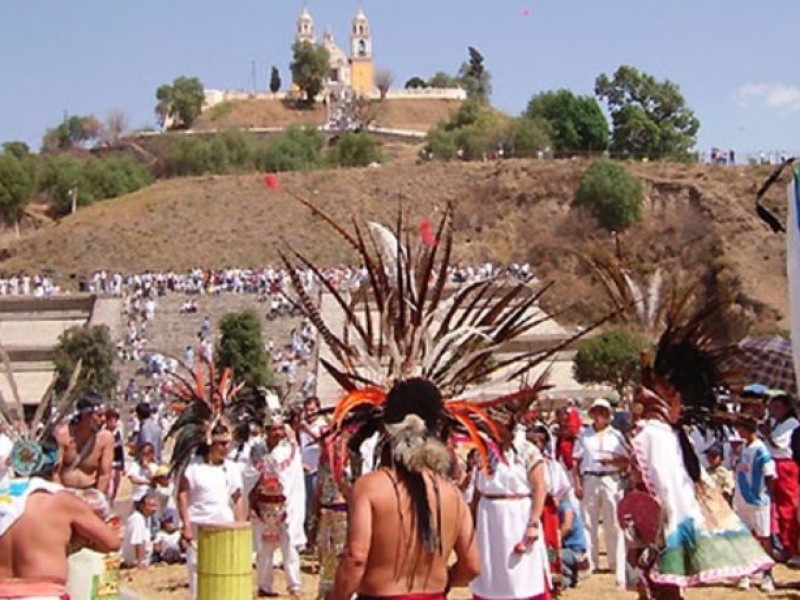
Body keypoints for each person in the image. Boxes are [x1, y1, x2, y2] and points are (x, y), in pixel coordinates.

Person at [331, 379, 480, 600]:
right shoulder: (453, 494)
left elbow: (356, 557)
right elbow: (473, 566)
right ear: (437, 427)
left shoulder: (370, 488)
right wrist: (446, 580)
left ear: (385, 427)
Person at [0, 435, 121, 592]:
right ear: (56, 466)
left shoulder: (4, 501)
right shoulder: (62, 501)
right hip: (44, 592)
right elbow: (111, 542)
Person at [177, 422, 244, 599]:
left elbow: (237, 497)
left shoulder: (231, 468)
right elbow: (182, 494)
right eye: (221, 443)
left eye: (228, 443)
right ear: (210, 444)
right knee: (196, 568)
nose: (226, 448)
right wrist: (186, 525)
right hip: (199, 525)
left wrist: (238, 524)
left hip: (224, 527)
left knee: (223, 569)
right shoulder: (194, 467)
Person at [572, 398, 629, 587]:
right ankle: (591, 561)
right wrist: (577, 484)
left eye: (602, 412)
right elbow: (576, 461)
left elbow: (626, 460)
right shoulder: (584, 435)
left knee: (613, 520)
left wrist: (612, 461)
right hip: (590, 478)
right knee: (588, 521)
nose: (599, 416)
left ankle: (614, 561)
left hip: (611, 478)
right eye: (596, 412)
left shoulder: (616, 435)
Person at [250, 415, 306, 598]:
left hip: (284, 506)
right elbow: (249, 476)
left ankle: (294, 585)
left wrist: (292, 504)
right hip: (263, 506)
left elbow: (294, 478)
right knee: (264, 548)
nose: (278, 433)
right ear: (266, 431)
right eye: (273, 429)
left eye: (280, 429)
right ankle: (264, 585)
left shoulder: (289, 449)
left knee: (289, 545)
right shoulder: (257, 450)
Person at [732, 416, 776, 592]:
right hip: (742, 500)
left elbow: (770, 475)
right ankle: (745, 572)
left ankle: (767, 575)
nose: (738, 432)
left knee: (764, 538)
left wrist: (766, 496)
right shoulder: (743, 448)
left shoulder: (761, 449)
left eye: (741, 428)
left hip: (758, 501)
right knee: (744, 537)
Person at [762, 391, 800, 565]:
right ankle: (785, 546)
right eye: (772, 407)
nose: (774, 410)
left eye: (778, 407)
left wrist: (768, 433)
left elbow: (780, 444)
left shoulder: (792, 423)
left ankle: (793, 548)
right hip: (774, 463)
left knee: (788, 507)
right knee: (777, 507)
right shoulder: (777, 423)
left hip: (785, 465)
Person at [54, 394, 114, 496]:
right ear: (85, 415)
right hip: (65, 492)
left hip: (90, 493)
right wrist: (61, 497)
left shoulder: (106, 439)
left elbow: (104, 475)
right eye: (99, 415)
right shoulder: (63, 435)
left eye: (105, 415)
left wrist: (97, 498)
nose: (103, 419)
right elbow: (55, 473)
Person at [298, 396, 328, 549]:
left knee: (314, 507)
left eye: (312, 410)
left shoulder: (321, 425)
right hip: (304, 470)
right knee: (303, 506)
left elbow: (323, 442)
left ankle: (313, 541)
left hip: (316, 471)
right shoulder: (303, 426)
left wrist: (308, 430)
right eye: (307, 410)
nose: (309, 413)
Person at [122, 492, 159, 569]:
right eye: (151, 506)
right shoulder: (137, 519)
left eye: (155, 506)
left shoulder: (146, 518)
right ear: (142, 506)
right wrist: (140, 562)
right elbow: (138, 542)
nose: (154, 509)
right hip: (136, 562)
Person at [105, 407, 126, 504]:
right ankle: (108, 501)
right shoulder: (104, 432)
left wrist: (123, 464)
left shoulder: (119, 431)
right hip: (109, 461)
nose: (114, 422)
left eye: (115, 419)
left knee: (117, 483)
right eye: (111, 419)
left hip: (118, 460)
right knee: (109, 483)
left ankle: (112, 500)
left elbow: (121, 447)